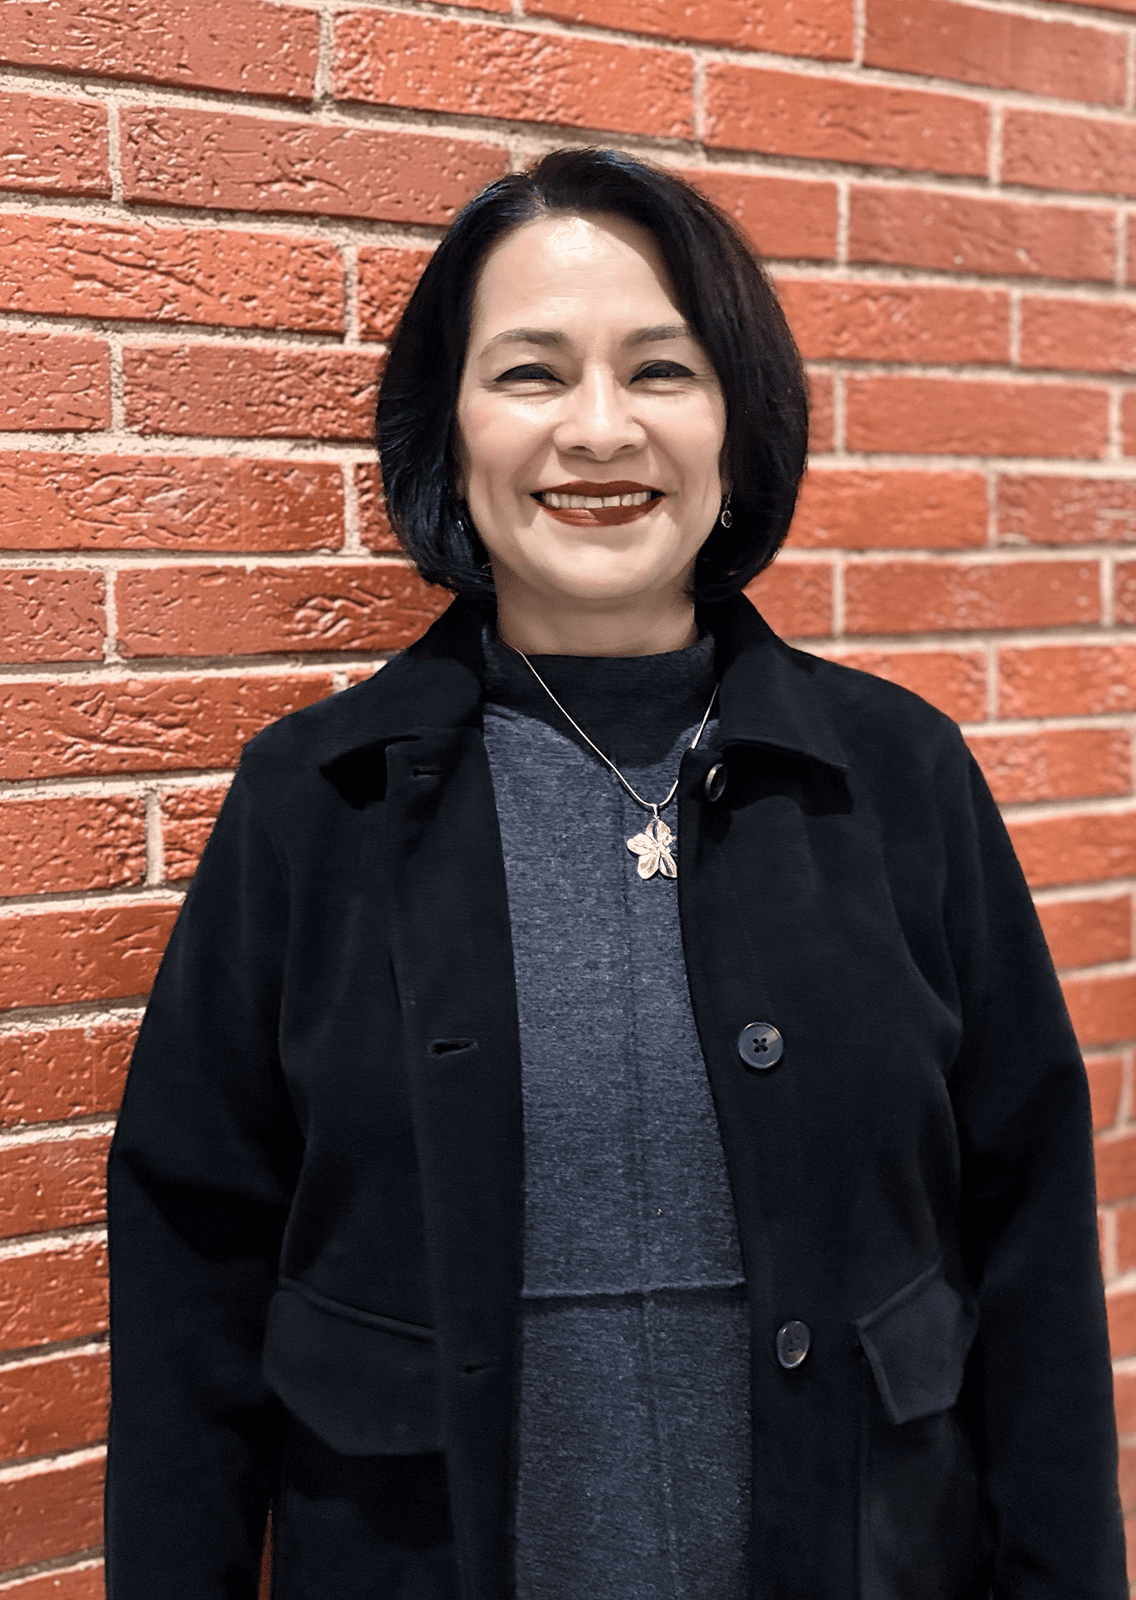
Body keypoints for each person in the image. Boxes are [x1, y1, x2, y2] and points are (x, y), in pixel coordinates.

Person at [104, 147, 1126, 1600]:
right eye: (531, 374)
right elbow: (190, 1276)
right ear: (450, 431)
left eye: (661, 371)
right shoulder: (313, 803)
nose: (599, 430)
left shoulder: (900, 776)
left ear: (736, 430)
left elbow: (1029, 1244)